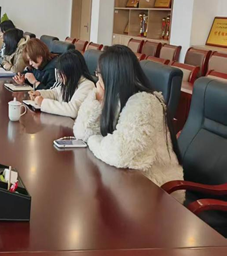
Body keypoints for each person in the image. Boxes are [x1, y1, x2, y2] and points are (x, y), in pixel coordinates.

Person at [73, 45, 183, 187]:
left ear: (112, 75)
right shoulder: (115, 98)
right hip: (127, 179)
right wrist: (97, 98)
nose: (97, 78)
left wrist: (93, 140)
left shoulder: (144, 103)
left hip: (155, 186)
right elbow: (81, 132)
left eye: (99, 73)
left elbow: (119, 153)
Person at [28, 50, 96, 118]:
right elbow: (56, 93)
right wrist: (39, 93)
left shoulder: (88, 85)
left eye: (62, 73)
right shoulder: (71, 81)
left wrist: (43, 103)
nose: (60, 76)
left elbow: (73, 110)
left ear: (71, 72)